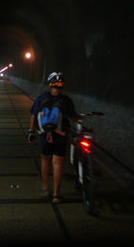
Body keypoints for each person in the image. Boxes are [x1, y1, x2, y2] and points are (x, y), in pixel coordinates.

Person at [28, 72, 79, 204]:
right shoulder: (66, 100)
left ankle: (45, 189)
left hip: (45, 135)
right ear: (63, 86)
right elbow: (73, 117)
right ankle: (56, 195)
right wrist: (77, 117)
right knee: (58, 164)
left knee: (45, 161)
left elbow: (33, 115)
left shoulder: (41, 98)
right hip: (60, 135)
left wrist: (31, 132)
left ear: (50, 85)